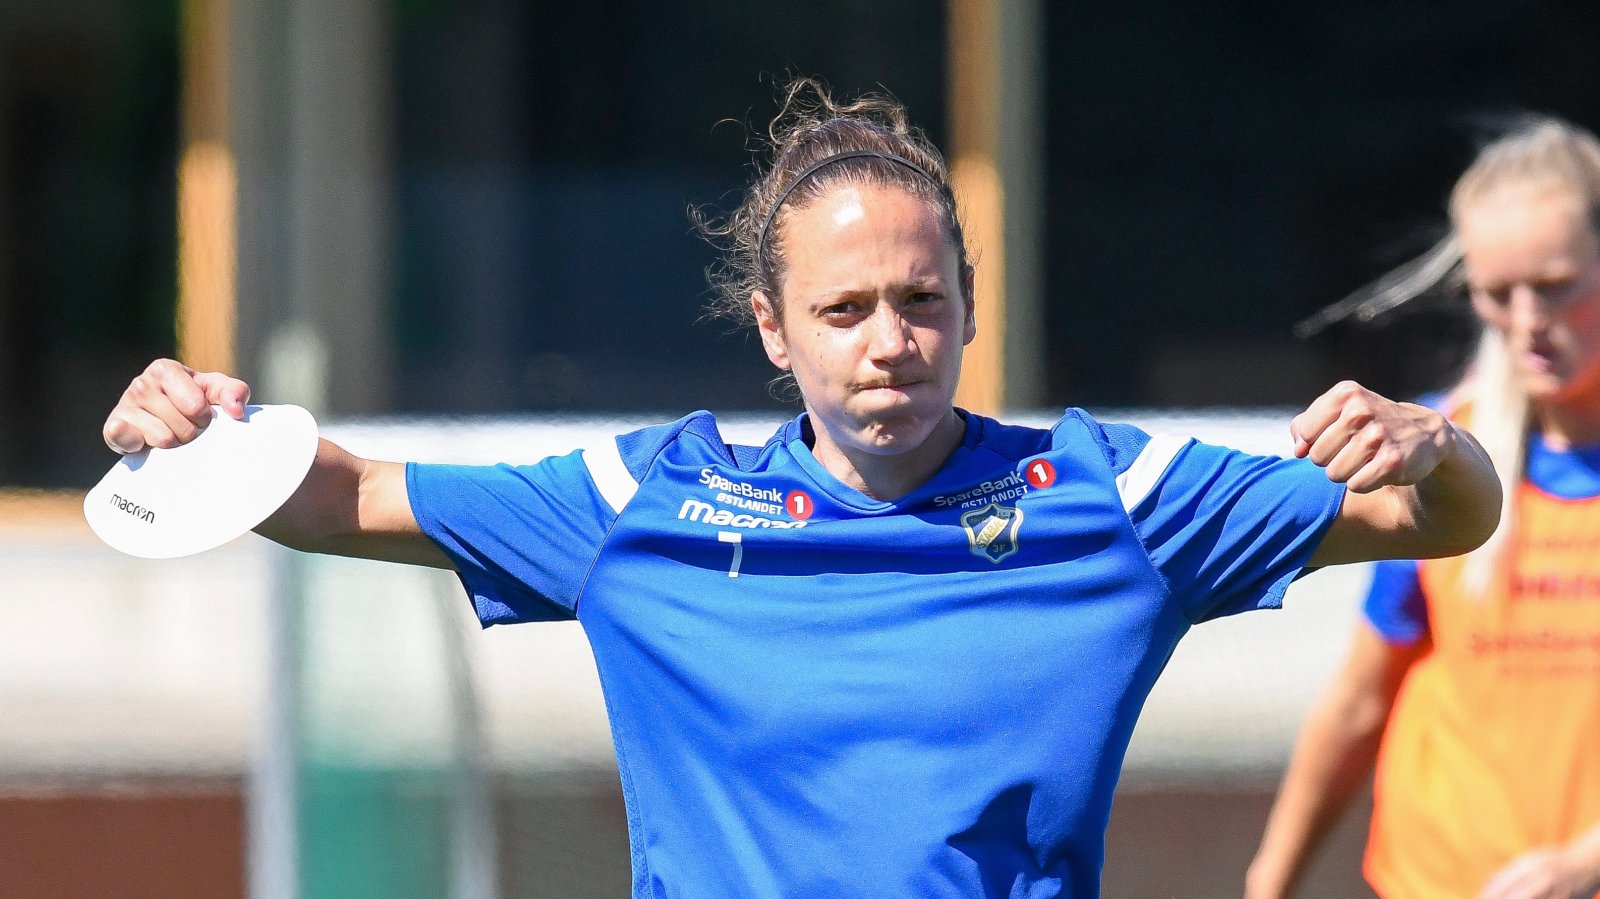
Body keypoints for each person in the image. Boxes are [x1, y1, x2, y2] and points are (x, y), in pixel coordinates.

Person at [105, 80, 1499, 898]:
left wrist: (1435, 442)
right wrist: (189, 429)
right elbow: (339, 495)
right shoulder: (644, 501)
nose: (890, 339)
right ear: (774, 330)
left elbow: (1443, 521)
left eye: (921, 299)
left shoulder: (1113, 494)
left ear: (968, 304)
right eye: (844, 309)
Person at [1246, 117, 1600, 899]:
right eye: (1496, 294)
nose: (1527, 321)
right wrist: (1268, 881)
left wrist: (1584, 862)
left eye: (1554, 286)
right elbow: (1361, 701)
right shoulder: (1446, 457)